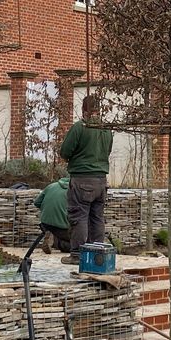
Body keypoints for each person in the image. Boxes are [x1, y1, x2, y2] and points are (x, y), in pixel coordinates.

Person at [58, 95, 113, 265]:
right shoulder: (106, 129)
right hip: (101, 180)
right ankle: (97, 256)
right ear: (99, 109)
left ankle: (77, 255)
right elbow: (107, 151)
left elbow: (65, 152)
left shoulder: (80, 127)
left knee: (79, 217)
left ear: (84, 109)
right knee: (97, 218)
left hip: (82, 179)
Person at [34, 177, 71, 254]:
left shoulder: (51, 186)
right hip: (62, 227)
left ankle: (52, 236)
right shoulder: (74, 191)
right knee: (76, 246)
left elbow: (37, 202)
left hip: (45, 224)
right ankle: (54, 241)